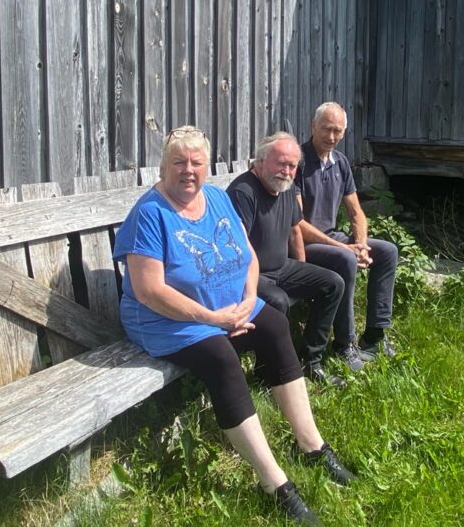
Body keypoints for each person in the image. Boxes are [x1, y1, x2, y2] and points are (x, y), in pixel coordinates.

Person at [113, 126, 354, 525]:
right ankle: (274, 482)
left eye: (197, 162)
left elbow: (249, 256)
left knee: (275, 325)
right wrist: (213, 319)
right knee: (221, 357)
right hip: (167, 320)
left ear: (207, 167)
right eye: (179, 162)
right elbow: (149, 291)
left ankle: (311, 445)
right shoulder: (150, 215)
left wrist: (246, 301)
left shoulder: (217, 198)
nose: (188, 170)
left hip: (227, 305)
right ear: (163, 166)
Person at [226, 133, 350, 386]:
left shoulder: (286, 188)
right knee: (277, 300)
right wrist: (251, 285)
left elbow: (295, 231)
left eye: (292, 166)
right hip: (250, 276)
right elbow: (238, 249)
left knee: (333, 283)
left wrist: (304, 268)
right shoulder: (243, 191)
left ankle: (310, 360)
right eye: (281, 163)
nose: (286, 170)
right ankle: (269, 372)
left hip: (282, 267)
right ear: (260, 162)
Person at [295, 102, 399, 361]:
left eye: (338, 131)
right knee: (345, 258)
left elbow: (356, 213)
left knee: (387, 251)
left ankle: (374, 336)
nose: (331, 137)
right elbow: (296, 224)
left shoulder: (339, 162)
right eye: (326, 129)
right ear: (313, 126)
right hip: (303, 245)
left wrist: (361, 245)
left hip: (332, 238)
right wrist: (347, 249)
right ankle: (345, 344)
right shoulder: (297, 161)